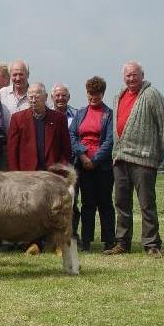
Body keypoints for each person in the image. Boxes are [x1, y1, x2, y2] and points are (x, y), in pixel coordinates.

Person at [104, 61, 164, 258]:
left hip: (144, 160)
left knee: (146, 204)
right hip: (120, 158)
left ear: (142, 75)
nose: (131, 79)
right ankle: (122, 242)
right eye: (128, 76)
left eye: (134, 75)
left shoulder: (152, 95)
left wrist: (157, 156)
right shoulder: (118, 96)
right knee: (121, 203)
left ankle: (151, 243)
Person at [8, 82, 72, 254]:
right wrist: (15, 175)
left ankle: (57, 242)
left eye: (37, 96)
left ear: (45, 98)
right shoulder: (17, 118)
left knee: (54, 209)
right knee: (29, 210)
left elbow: (66, 150)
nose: (33, 99)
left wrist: (62, 171)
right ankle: (32, 243)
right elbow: (12, 151)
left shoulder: (59, 118)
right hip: (27, 174)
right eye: (30, 96)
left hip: (52, 174)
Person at [69, 77, 115, 252]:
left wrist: (94, 160)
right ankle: (86, 241)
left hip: (102, 166)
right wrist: (82, 155)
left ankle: (109, 240)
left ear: (102, 94)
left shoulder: (109, 114)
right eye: (90, 93)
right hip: (82, 165)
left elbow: (110, 140)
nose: (92, 97)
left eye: (96, 94)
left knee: (105, 203)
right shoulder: (80, 113)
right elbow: (72, 135)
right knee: (87, 204)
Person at [52, 83, 80, 238]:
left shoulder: (77, 115)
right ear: (52, 98)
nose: (61, 98)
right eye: (57, 95)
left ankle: (72, 234)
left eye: (64, 95)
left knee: (73, 202)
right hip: (55, 165)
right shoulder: (48, 114)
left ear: (69, 97)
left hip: (74, 163)